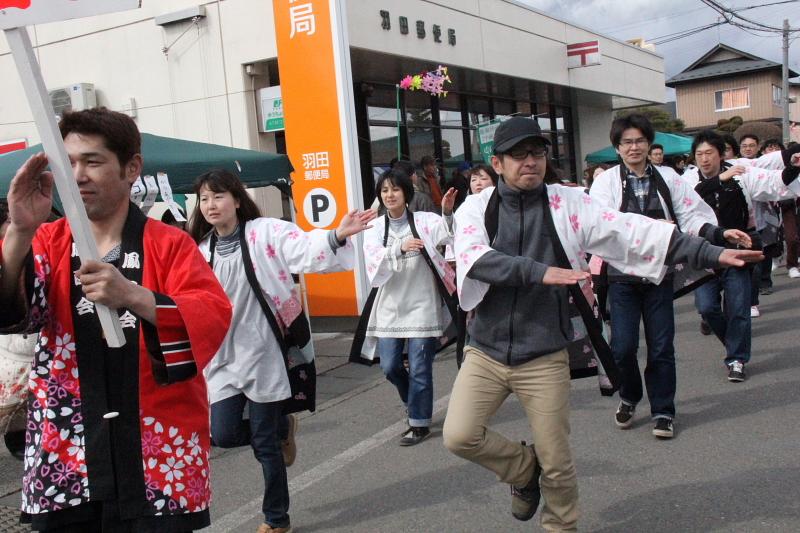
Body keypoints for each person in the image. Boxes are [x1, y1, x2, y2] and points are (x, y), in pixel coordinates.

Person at [441, 117, 762, 531]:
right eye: (518, 154)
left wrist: (711, 251)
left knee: (557, 463)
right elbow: (475, 258)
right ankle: (521, 468)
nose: (530, 161)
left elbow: (633, 231)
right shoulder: (477, 207)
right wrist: (539, 272)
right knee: (459, 435)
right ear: (497, 163)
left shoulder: (569, 203)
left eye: (537, 152)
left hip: (544, 353)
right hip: (485, 349)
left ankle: (561, 526)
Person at [0, 107, 232, 531]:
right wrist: (18, 230)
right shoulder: (47, 241)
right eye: (68, 163)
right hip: (65, 454)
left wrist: (134, 296)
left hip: (158, 455)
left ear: (131, 168)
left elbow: (212, 315)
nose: (78, 175)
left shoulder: (170, 244)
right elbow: (12, 312)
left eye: (93, 161)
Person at [191, 169, 373, 533]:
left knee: (264, 445)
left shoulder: (263, 233)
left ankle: (276, 519)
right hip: (223, 358)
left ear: (237, 200)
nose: (211, 205)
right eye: (204, 198)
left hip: (264, 352)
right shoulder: (200, 251)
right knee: (223, 434)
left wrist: (337, 235)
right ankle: (282, 427)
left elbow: (301, 247)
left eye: (218, 196)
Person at [591, 114, 750, 439]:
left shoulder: (668, 178)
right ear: (617, 148)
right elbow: (601, 224)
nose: (634, 147)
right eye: (626, 142)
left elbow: (691, 216)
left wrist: (720, 233)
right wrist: (651, 227)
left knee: (661, 347)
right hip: (622, 277)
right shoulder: (605, 182)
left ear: (649, 143)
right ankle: (630, 396)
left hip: (658, 276)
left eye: (639, 140)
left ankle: (663, 410)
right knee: (622, 347)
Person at [352, 169, 456, 446]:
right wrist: (399, 248)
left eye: (395, 189)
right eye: (385, 190)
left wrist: (447, 212)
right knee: (390, 366)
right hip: (390, 306)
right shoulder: (375, 228)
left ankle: (419, 423)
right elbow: (373, 261)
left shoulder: (425, 220)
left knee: (420, 366)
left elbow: (448, 235)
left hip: (423, 302)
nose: (390, 195)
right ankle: (414, 400)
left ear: (406, 193)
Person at [687, 130, 800, 382]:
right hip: (703, 252)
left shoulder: (740, 172)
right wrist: (719, 180)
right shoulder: (687, 179)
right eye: (699, 154)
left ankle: (737, 359)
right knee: (706, 307)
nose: (704, 159)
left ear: (721, 154)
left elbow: (773, 183)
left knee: (738, 308)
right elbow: (688, 198)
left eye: (709, 153)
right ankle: (733, 342)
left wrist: (792, 167)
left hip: (739, 248)